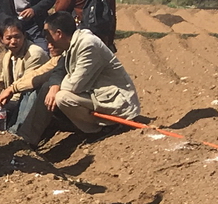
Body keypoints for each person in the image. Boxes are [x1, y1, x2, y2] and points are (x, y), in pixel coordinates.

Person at [8, 12, 140, 147]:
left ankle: (101, 129)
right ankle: (28, 136)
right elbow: (59, 71)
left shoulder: (88, 45)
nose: (46, 39)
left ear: (58, 34)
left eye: (48, 34)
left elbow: (75, 85)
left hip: (117, 102)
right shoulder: (72, 44)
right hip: (98, 96)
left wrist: (54, 88)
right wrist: (54, 85)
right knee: (50, 88)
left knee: (61, 97)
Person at [0, 22, 50, 133]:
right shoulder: (8, 56)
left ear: (24, 36)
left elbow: (27, 84)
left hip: (27, 99)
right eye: (9, 38)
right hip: (12, 96)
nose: (13, 41)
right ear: (2, 39)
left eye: (17, 37)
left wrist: (4, 99)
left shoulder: (34, 54)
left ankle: (16, 129)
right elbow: (2, 81)